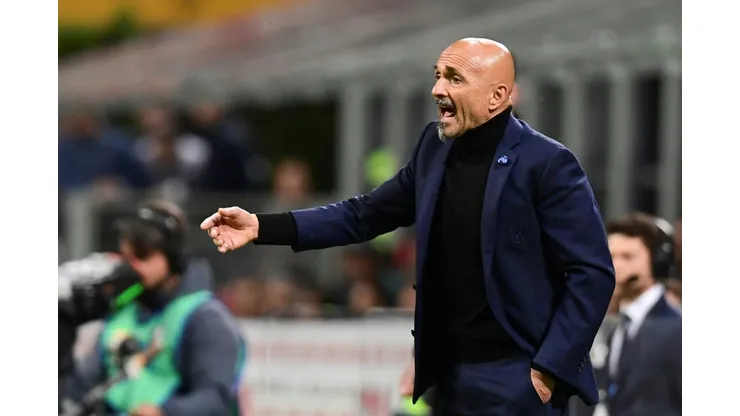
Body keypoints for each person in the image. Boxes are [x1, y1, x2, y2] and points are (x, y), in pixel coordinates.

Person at [201, 38, 615, 415]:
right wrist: (261, 226)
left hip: (516, 377)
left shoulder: (548, 163)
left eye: (454, 78)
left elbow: (592, 272)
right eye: (438, 75)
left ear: (497, 96)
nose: (438, 89)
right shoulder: (434, 147)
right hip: (448, 377)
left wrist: (548, 369)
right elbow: (364, 215)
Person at [63, 201, 245, 416]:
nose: (131, 268)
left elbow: (214, 400)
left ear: (173, 259)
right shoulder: (121, 310)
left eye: (142, 257)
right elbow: (85, 385)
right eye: (127, 258)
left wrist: (165, 412)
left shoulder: (205, 319)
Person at [598, 212, 681, 416]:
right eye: (612, 256)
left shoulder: (678, 328)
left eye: (628, 257)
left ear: (657, 261)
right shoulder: (617, 329)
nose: (616, 265)